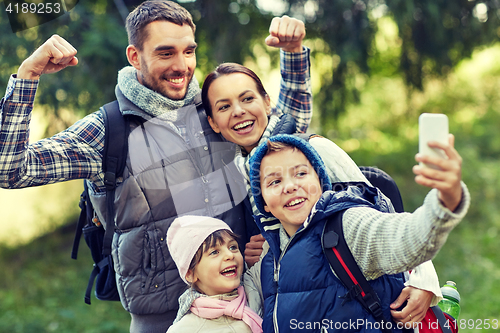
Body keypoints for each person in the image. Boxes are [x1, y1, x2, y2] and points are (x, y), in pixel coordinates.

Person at [0, 1, 312, 331]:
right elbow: (11, 170)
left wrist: (292, 52)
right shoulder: (108, 130)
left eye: (188, 52)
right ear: (135, 56)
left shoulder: (215, 111)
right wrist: (28, 75)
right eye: (166, 53)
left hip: (246, 303)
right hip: (161, 321)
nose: (182, 66)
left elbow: (287, 131)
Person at [201, 62, 445, 325]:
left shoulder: (313, 149)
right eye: (224, 106)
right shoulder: (241, 173)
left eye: (247, 98)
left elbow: (381, 210)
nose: (238, 111)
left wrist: (426, 283)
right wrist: (260, 256)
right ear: (213, 122)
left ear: (267, 103)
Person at [244, 133, 469, 332]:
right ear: (263, 202)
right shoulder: (269, 258)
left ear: (322, 182)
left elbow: (405, 238)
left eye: (301, 173)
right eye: (274, 181)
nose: (290, 186)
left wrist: (445, 202)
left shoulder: (346, 225)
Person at [166, 215, 262, 333]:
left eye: (232, 247)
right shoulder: (184, 329)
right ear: (190, 274)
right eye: (214, 252)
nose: (230, 255)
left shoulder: (255, 287)